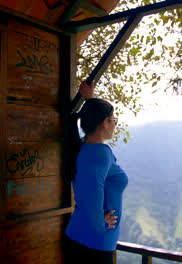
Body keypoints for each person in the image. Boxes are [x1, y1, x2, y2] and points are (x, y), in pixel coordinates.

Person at [63, 81, 129, 264]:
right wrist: (100, 224)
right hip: (93, 246)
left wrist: (90, 100)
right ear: (104, 123)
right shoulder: (99, 154)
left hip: (85, 241)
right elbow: (91, 194)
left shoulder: (86, 148)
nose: (115, 124)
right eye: (113, 120)